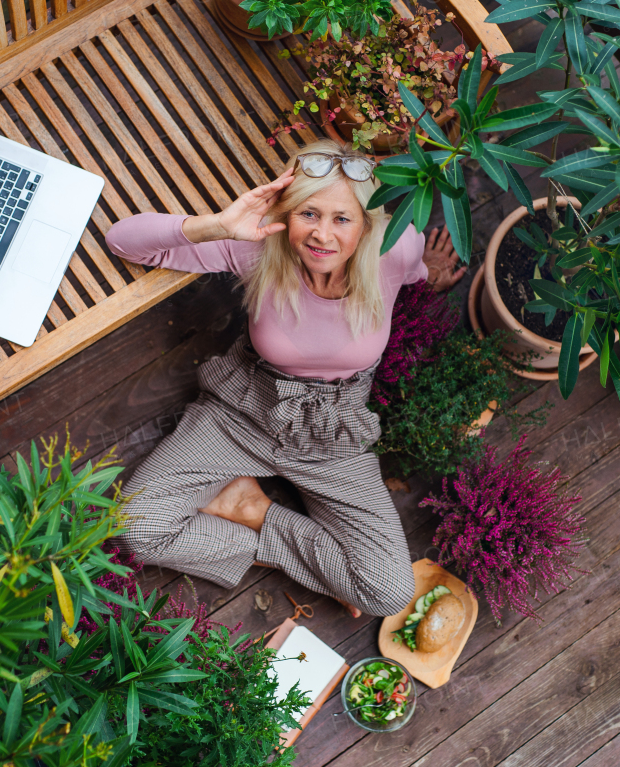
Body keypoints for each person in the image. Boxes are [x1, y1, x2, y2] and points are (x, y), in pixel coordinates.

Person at [105, 139, 464, 618]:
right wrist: (217, 225)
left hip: (333, 432)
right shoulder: (257, 247)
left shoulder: (394, 249)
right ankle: (269, 535)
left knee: (388, 593)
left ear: (367, 223)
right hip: (243, 410)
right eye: (308, 214)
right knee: (136, 527)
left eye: (342, 218)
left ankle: (252, 510)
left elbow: (418, 270)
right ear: (287, 211)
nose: (323, 235)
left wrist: (432, 273)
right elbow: (124, 241)